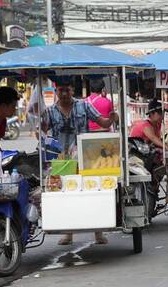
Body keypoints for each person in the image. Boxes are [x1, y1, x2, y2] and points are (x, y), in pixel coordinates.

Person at [42, 81, 117, 246]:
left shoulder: (84, 106)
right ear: (56, 91)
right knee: (64, 195)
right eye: (60, 90)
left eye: (66, 90)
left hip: (85, 156)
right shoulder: (49, 111)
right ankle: (68, 234)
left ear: (72, 90)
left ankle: (98, 233)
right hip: (61, 160)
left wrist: (111, 118)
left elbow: (103, 122)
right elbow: (41, 132)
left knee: (91, 191)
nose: (63, 94)